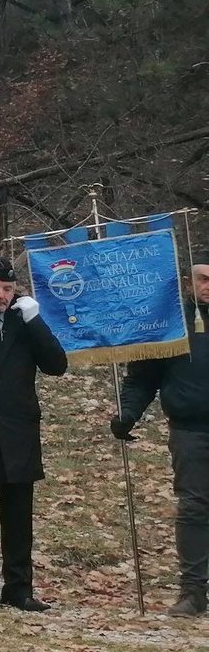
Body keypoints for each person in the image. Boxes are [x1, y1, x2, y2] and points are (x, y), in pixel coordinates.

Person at [0, 258, 68, 613]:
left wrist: (36, 321)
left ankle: (19, 587)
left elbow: (57, 365)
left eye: (7, 289)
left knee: (19, 514)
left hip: (19, 430)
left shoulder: (25, 322)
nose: (0, 295)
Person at [114, 262, 209, 616]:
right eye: (204, 279)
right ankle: (193, 591)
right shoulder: (169, 323)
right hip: (191, 430)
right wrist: (128, 413)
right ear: (189, 282)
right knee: (194, 507)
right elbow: (142, 378)